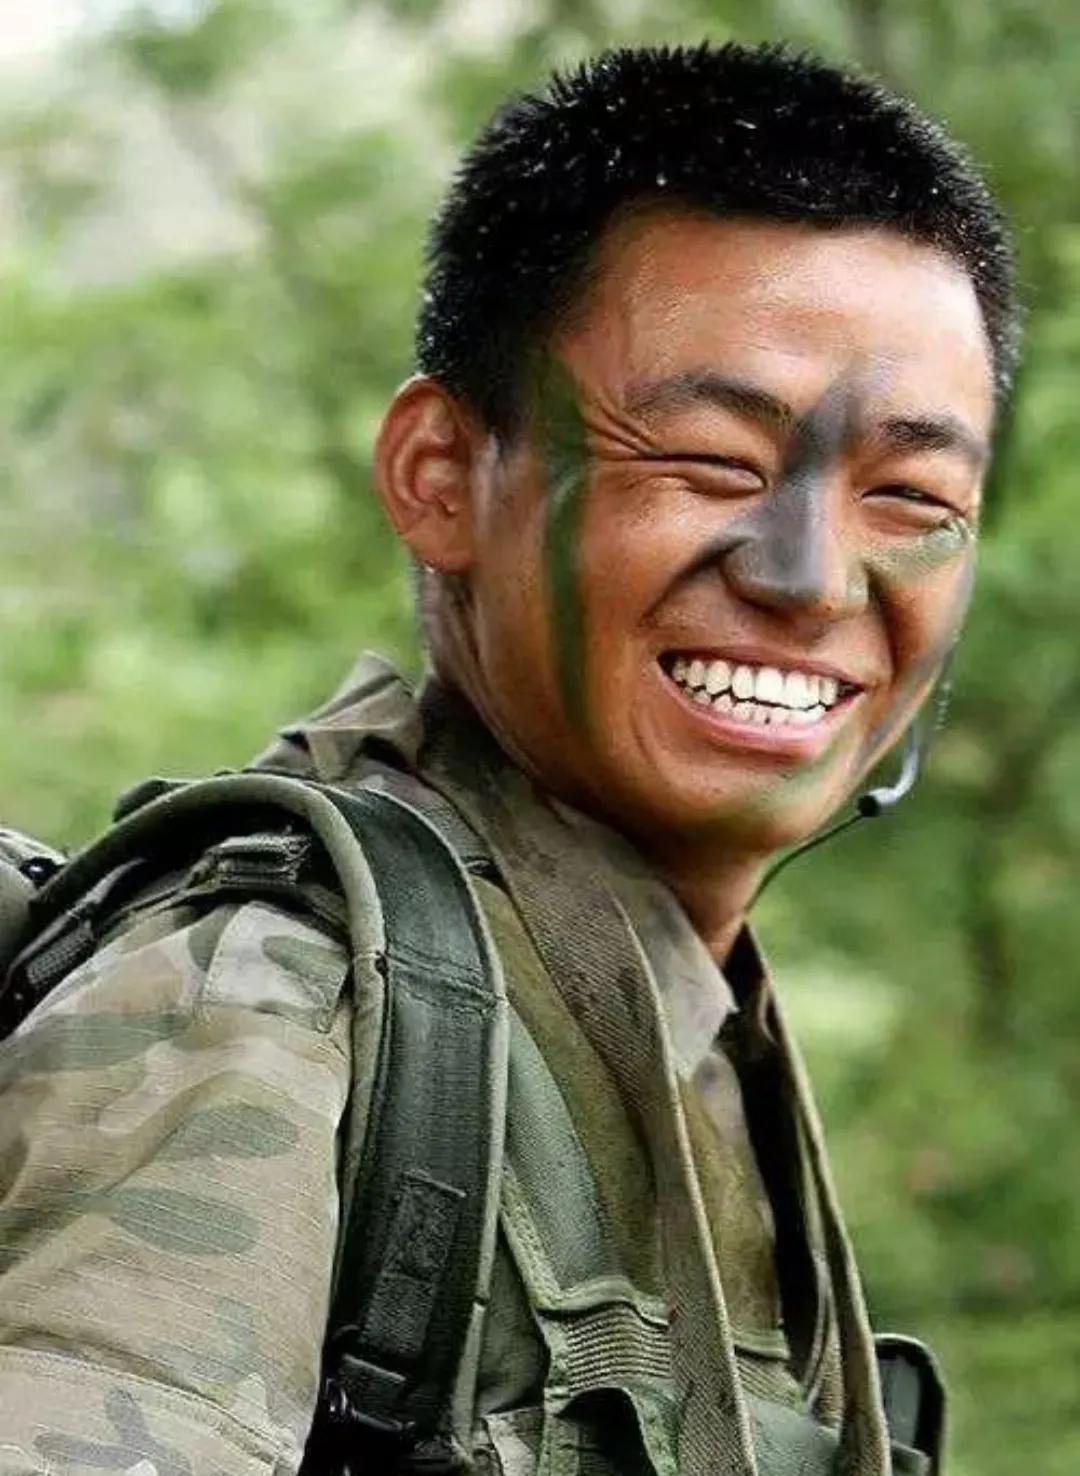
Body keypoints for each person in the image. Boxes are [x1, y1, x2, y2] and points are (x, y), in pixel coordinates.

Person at [0, 41, 1016, 1476]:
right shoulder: (279, 1005)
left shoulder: (670, 1016)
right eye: (711, 463)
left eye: (911, 497)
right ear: (440, 477)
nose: (811, 579)